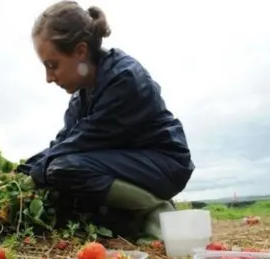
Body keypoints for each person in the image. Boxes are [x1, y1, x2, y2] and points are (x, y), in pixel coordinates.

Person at [17, 0, 194, 240]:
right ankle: (128, 220)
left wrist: (35, 173)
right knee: (58, 172)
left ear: (80, 51)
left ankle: (155, 211)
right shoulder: (81, 96)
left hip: (164, 163)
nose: (49, 77)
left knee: (63, 169)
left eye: (52, 65)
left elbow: (79, 144)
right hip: (126, 161)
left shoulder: (124, 79)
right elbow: (62, 143)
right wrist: (21, 171)